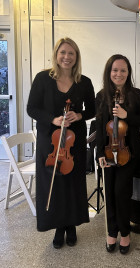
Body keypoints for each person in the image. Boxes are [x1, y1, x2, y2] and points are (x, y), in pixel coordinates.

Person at [27, 37, 95, 249]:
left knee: (73, 184)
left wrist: (79, 115)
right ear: (57, 55)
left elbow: (92, 110)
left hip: (74, 142)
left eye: (71, 53)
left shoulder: (84, 82)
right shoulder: (42, 78)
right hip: (51, 141)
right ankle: (58, 227)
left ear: (76, 57)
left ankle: (71, 225)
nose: (67, 57)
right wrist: (52, 119)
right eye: (63, 52)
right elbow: (32, 108)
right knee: (53, 185)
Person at [95, 54, 140, 254]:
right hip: (107, 153)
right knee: (109, 193)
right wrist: (99, 152)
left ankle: (125, 232)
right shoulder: (101, 95)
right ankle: (111, 232)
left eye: (123, 70)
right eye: (115, 70)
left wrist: (127, 115)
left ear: (128, 73)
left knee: (121, 193)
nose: (119, 74)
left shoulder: (136, 94)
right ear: (109, 72)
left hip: (127, 152)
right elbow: (100, 127)